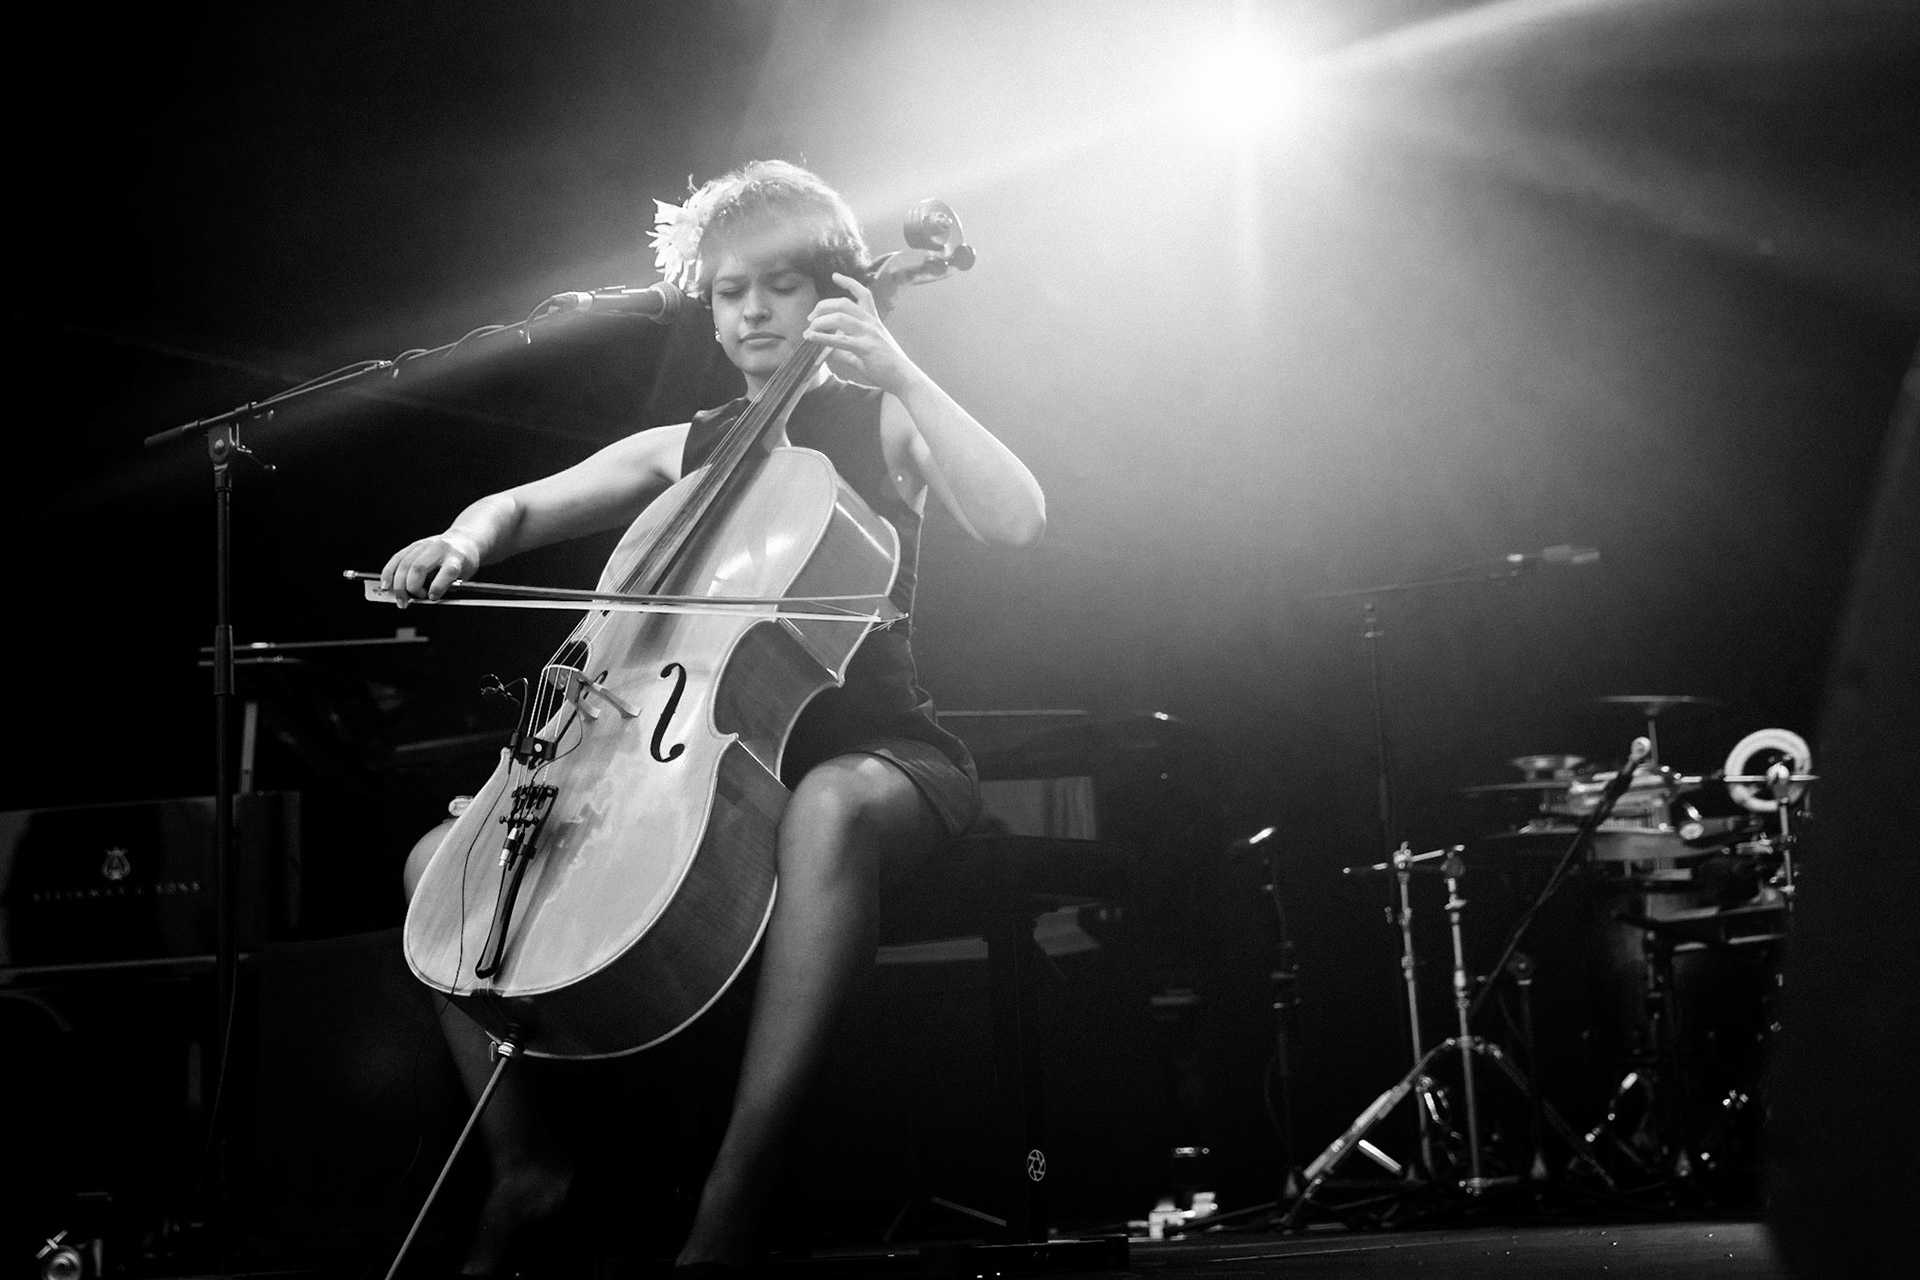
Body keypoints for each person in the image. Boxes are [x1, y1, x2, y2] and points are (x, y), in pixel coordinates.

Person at [382, 160, 1045, 1275]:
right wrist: (461, 540)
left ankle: (737, 1197)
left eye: (780, 287)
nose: (750, 313)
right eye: (730, 292)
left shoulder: (881, 421)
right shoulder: (685, 447)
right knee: (435, 868)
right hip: (695, 758)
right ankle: (529, 1168)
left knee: (824, 807)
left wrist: (908, 372)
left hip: (876, 758)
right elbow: (523, 503)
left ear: (838, 289)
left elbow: (1017, 517)